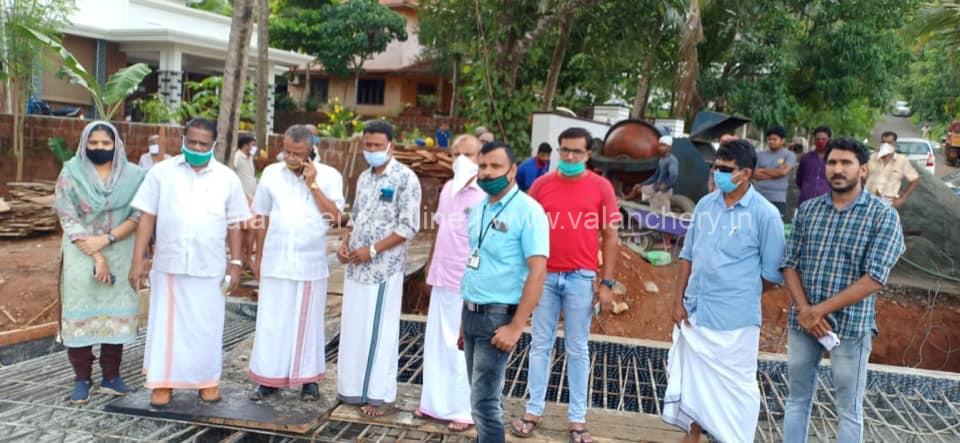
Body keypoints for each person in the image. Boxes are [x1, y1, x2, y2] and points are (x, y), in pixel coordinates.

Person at [781, 138, 905, 443]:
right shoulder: (808, 211)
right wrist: (805, 311)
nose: (837, 169)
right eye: (832, 163)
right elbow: (789, 263)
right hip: (804, 324)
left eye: (846, 163)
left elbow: (875, 277)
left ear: (862, 170)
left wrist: (817, 311)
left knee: (848, 409)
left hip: (851, 327)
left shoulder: (882, 215)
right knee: (797, 400)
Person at [663, 139, 785, 443]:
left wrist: (738, 292)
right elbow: (687, 256)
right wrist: (678, 302)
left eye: (724, 169)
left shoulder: (766, 215)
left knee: (736, 387)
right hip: (695, 311)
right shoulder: (706, 205)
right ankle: (693, 435)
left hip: (735, 319)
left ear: (745, 173)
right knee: (694, 380)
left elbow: (772, 274)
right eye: (716, 167)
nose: (717, 173)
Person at [129, 118, 251, 407]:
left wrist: (235, 263)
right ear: (183, 139)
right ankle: (163, 384)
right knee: (165, 328)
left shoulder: (227, 178)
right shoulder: (161, 173)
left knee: (205, 327)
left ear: (213, 145)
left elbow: (236, 224)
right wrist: (138, 260)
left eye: (203, 144)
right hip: (169, 264)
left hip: (209, 267)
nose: (196, 147)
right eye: (192, 142)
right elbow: (146, 216)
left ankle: (206, 382)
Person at [510, 128, 621, 443]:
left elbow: (611, 236)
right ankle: (533, 411)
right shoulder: (542, 185)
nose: (570, 157)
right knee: (539, 345)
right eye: (565, 151)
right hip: (544, 277)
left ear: (588, 154)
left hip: (581, 277)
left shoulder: (601, 187)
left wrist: (607, 283)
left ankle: (577, 419)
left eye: (576, 152)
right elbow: (526, 231)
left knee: (577, 348)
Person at [247, 125, 345, 401]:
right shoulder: (270, 174)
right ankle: (269, 380)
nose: (290, 157)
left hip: (310, 263)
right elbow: (261, 215)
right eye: (287, 151)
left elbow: (336, 218)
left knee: (308, 323)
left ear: (311, 149)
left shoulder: (329, 176)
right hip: (276, 260)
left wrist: (312, 184)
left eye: (297, 153)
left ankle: (308, 381)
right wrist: (257, 254)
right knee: (271, 321)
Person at [460, 141, 549, 443]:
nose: (487, 172)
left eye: (495, 166)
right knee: (478, 399)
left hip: (498, 318)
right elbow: (476, 263)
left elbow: (538, 273)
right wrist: (465, 322)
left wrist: (516, 326)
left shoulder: (529, 211)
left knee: (484, 404)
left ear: (512, 171)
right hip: (471, 312)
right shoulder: (479, 207)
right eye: (482, 166)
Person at [54, 121, 146, 404]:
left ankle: (111, 377)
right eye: (93, 143)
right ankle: (82, 379)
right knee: (80, 315)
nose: (99, 148)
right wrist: (95, 253)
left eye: (105, 144)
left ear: (116, 144)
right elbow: (66, 214)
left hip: (119, 250)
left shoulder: (135, 176)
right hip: (80, 252)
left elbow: (138, 215)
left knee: (114, 316)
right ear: (84, 144)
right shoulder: (71, 173)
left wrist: (105, 241)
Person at [336, 120, 422, 417]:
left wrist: (372, 250)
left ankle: (378, 397)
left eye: (376, 146)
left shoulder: (405, 178)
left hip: (383, 269)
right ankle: (353, 389)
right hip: (355, 268)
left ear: (390, 146)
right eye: (367, 145)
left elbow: (409, 227)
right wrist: (345, 244)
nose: (371, 151)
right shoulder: (363, 177)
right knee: (355, 329)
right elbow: (356, 217)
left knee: (379, 331)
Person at [415, 134, 485, 431]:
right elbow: (439, 231)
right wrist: (430, 267)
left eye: (467, 154)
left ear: (481, 158)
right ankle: (433, 403)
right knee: (436, 343)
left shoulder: (485, 195)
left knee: (461, 344)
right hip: (443, 277)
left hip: (468, 281)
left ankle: (463, 409)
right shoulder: (447, 189)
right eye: (455, 153)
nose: (460, 159)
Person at [866, 131, 920, 208]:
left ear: (894, 144)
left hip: (888, 203)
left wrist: (902, 199)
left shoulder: (902, 160)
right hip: (868, 200)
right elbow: (861, 177)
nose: (886, 145)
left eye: (889, 142)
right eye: (883, 142)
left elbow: (915, 179)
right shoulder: (871, 158)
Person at [626, 135, 679, 214]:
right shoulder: (661, 160)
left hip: (664, 191)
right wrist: (641, 184)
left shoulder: (672, 160)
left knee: (661, 213)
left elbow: (674, 175)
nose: (660, 148)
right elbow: (655, 176)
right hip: (656, 186)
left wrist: (666, 185)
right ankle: (627, 202)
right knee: (637, 189)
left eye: (664, 146)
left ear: (669, 148)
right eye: (660, 145)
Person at [753, 126, 798, 217]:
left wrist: (762, 170)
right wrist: (776, 173)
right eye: (769, 139)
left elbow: (783, 172)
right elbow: (754, 174)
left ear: (782, 140)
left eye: (775, 139)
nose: (771, 141)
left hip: (778, 198)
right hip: (758, 196)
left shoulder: (789, 155)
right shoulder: (760, 155)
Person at [233, 134, 259, 270]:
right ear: (246, 145)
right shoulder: (237, 157)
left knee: (247, 228)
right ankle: (246, 256)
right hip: (244, 198)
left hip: (252, 197)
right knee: (250, 226)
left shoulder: (249, 158)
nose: (254, 147)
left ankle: (245, 255)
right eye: (253, 144)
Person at [796, 126, 832, 206]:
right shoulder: (806, 158)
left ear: (829, 139)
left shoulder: (834, 159)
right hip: (805, 202)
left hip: (826, 204)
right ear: (814, 140)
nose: (820, 141)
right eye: (818, 139)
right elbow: (799, 181)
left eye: (823, 139)